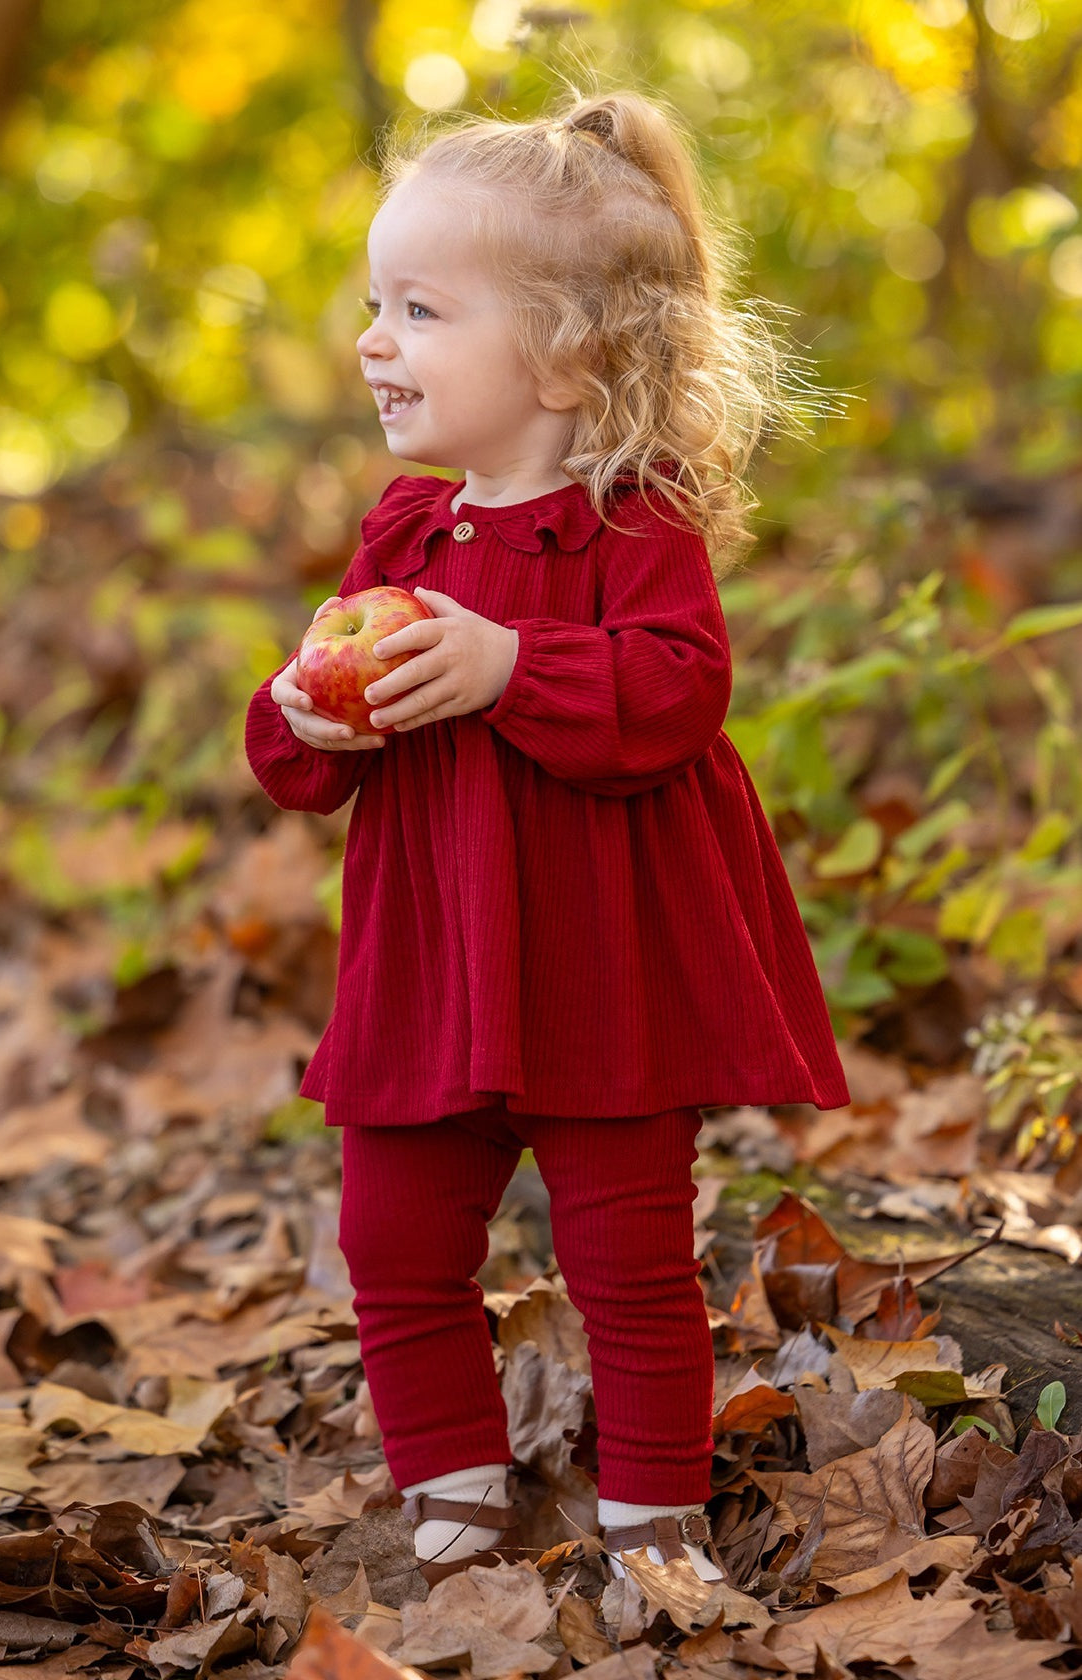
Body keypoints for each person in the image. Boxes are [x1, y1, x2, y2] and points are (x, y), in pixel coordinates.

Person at [245, 87, 852, 1590]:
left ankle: (655, 1511)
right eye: (375, 304)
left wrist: (514, 664)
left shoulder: (632, 525)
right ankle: (452, 1482)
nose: (374, 339)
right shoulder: (403, 539)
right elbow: (295, 747)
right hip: (432, 964)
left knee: (628, 1258)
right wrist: (306, 717)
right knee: (393, 1242)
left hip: (605, 972)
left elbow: (677, 693)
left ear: (571, 353)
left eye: (420, 309)